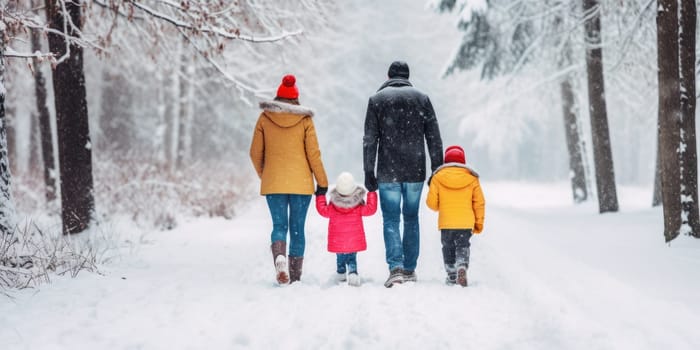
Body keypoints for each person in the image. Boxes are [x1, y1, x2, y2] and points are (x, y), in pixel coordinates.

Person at [363, 61, 444, 288]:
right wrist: (437, 169)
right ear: (408, 76)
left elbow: (370, 140)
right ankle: (409, 268)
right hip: (414, 169)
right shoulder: (422, 99)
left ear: (389, 76)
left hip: (388, 170)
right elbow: (434, 138)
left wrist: (369, 171)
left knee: (390, 218)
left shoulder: (377, 101)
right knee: (411, 217)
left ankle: (396, 268)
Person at [249, 74, 328, 285]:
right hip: (301, 184)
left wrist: (265, 174)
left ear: (278, 96)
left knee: (279, 225)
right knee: (297, 228)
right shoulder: (305, 120)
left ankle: (280, 259)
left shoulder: (265, 117)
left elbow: (255, 152)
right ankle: (294, 276)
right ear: (296, 98)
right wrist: (322, 182)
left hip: (274, 182)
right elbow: (314, 154)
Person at [426, 145, 485, 287]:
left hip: (446, 222)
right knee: (463, 245)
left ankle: (452, 274)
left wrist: (443, 204)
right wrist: (479, 223)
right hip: (465, 223)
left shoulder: (438, 177)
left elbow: (431, 204)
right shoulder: (472, 179)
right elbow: (479, 203)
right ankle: (462, 266)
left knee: (448, 247)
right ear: (463, 161)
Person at [315, 172, 377, 287]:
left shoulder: (333, 206)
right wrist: (372, 192)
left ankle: (341, 272)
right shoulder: (358, 205)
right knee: (352, 257)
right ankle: (353, 272)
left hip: (338, 241)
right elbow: (370, 209)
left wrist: (320, 195)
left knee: (340, 256)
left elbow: (322, 210)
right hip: (353, 239)